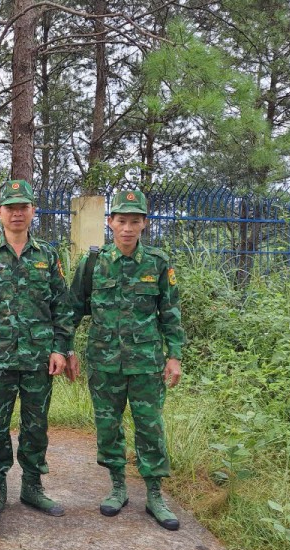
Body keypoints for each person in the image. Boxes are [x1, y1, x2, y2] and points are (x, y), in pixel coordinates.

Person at [0, 179, 78, 519]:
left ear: (32, 212)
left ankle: (32, 486)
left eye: (23, 207)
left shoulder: (47, 255)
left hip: (38, 358)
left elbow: (62, 306)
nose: (16, 213)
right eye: (10, 208)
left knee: (36, 424)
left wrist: (60, 348)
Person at [69, 188, 185, 530]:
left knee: (150, 427)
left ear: (144, 224)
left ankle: (154, 494)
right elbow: (73, 309)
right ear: (110, 223)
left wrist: (174, 356)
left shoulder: (158, 264)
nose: (128, 228)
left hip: (146, 363)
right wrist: (67, 349)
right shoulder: (93, 263)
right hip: (105, 363)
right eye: (121, 220)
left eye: (135, 221)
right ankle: (118, 487)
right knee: (108, 427)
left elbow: (171, 313)